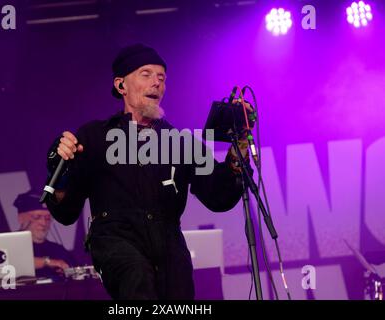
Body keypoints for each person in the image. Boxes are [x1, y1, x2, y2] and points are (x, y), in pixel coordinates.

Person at [45, 43, 250, 299]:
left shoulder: (181, 142)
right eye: (146, 74)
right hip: (115, 239)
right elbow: (65, 211)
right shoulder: (94, 136)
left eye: (162, 77)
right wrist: (59, 165)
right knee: (136, 275)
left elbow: (219, 196)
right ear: (121, 85)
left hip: (169, 244)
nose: (157, 83)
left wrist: (240, 144)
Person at [13, 189, 76, 281]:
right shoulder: (8, 245)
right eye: (37, 217)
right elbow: (8, 264)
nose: (43, 223)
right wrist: (47, 262)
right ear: (21, 218)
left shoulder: (58, 250)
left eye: (47, 218)